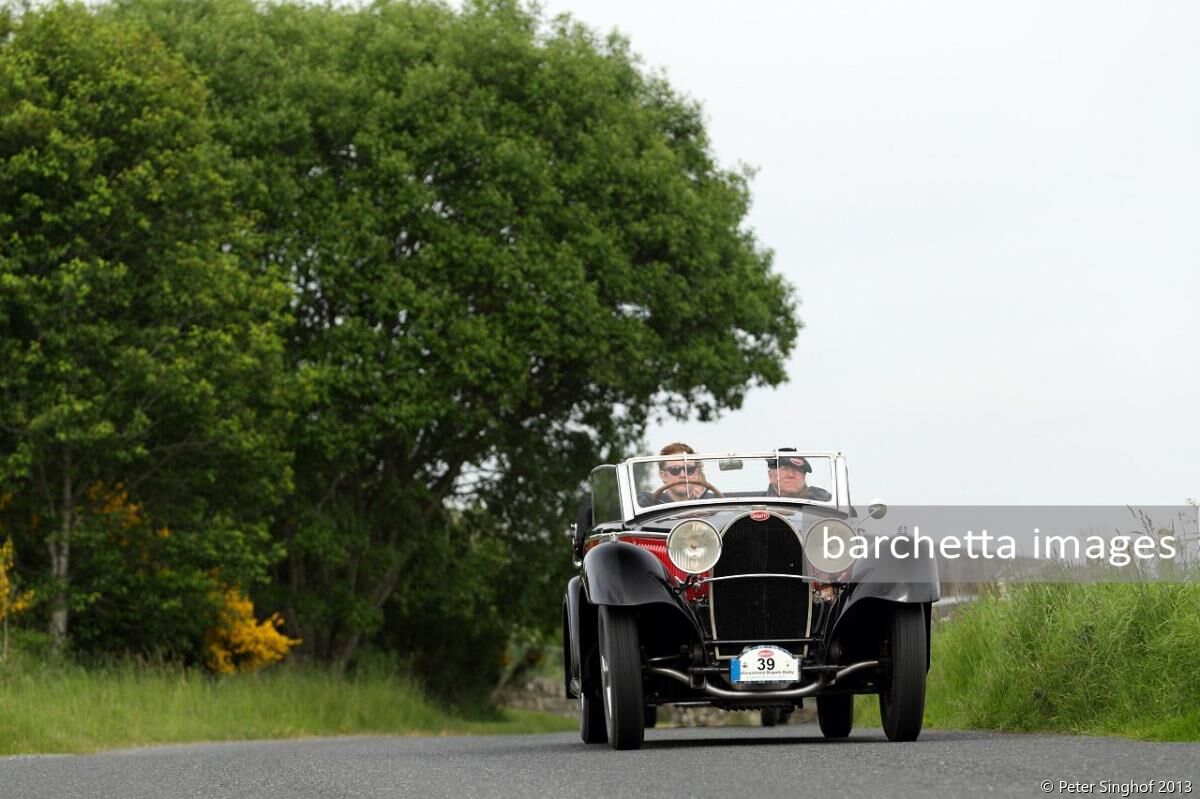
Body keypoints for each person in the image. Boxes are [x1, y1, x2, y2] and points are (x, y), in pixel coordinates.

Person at [652, 442, 716, 504]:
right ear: (663, 476)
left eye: (689, 469)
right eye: (675, 470)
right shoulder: (650, 503)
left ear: (696, 473)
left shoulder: (713, 501)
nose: (683, 475)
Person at [766, 447, 832, 501]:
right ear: (771, 475)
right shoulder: (758, 502)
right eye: (785, 469)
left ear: (804, 476)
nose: (791, 475)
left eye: (797, 470)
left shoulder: (824, 501)